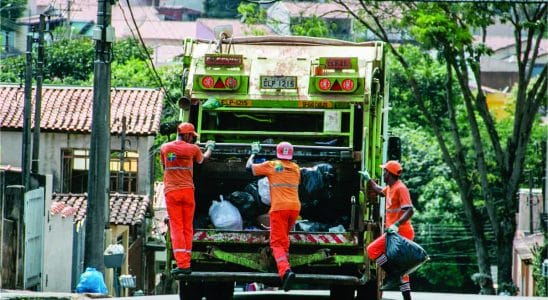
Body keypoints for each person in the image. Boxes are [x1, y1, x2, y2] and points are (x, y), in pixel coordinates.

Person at [160, 122, 215, 278]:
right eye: (192, 136)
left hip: (172, 192)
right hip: (188, 192)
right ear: (187, 135)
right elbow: (203, 160)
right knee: (187, 228)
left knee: (176, 228)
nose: (193, 139)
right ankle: (187, 261)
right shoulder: (193, 149)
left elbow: (164, 165)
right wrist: (210, 147)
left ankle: (183, 265)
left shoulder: (165, 148)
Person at [246, 141, 301, 292]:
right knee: (284, 239)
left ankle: (285, 271)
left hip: (279, 209)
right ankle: (286, 268)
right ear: (291, 154)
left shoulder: (273, 165)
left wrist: (253, 153)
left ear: (277, 153)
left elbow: (248, 168)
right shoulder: (296, 168)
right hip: (294, 208)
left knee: (276, 243)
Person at [360, 160, 414, 300]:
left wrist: (396, 225)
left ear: (389, 173)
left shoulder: (400, 188)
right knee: (401, 268)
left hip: (401, 232)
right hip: (394, 232)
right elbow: (378, 189)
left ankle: (393, 275)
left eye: (384, 171)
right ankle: (397, 279)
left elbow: (409, 210)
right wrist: (368, 179)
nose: (383, 173)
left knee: (372, 249)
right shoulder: (390, 188)